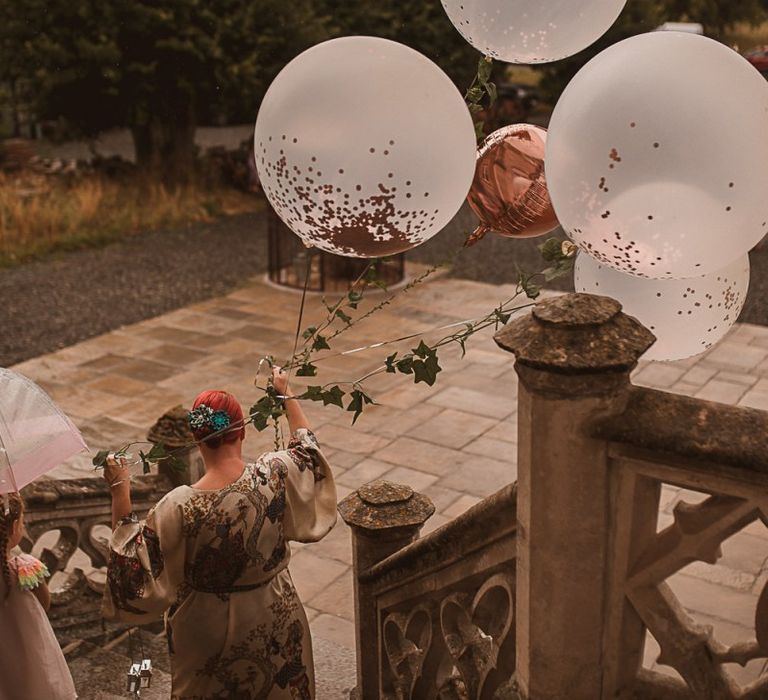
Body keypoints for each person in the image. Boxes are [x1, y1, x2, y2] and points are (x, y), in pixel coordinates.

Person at [102, 368, 336, 699]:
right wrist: (284, 392)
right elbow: (307, 449)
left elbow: (131, 571)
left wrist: (119, 492)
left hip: (205, 622)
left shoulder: (178, 506)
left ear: (197, 441)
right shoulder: (274, 473)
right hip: (274, 610)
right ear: (241, 432)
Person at [0, 492, 78, 700]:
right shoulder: (24, 567)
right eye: (23, 523)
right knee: (32, 680)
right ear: (15, 526)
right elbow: (45, 603)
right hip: (28, 642)